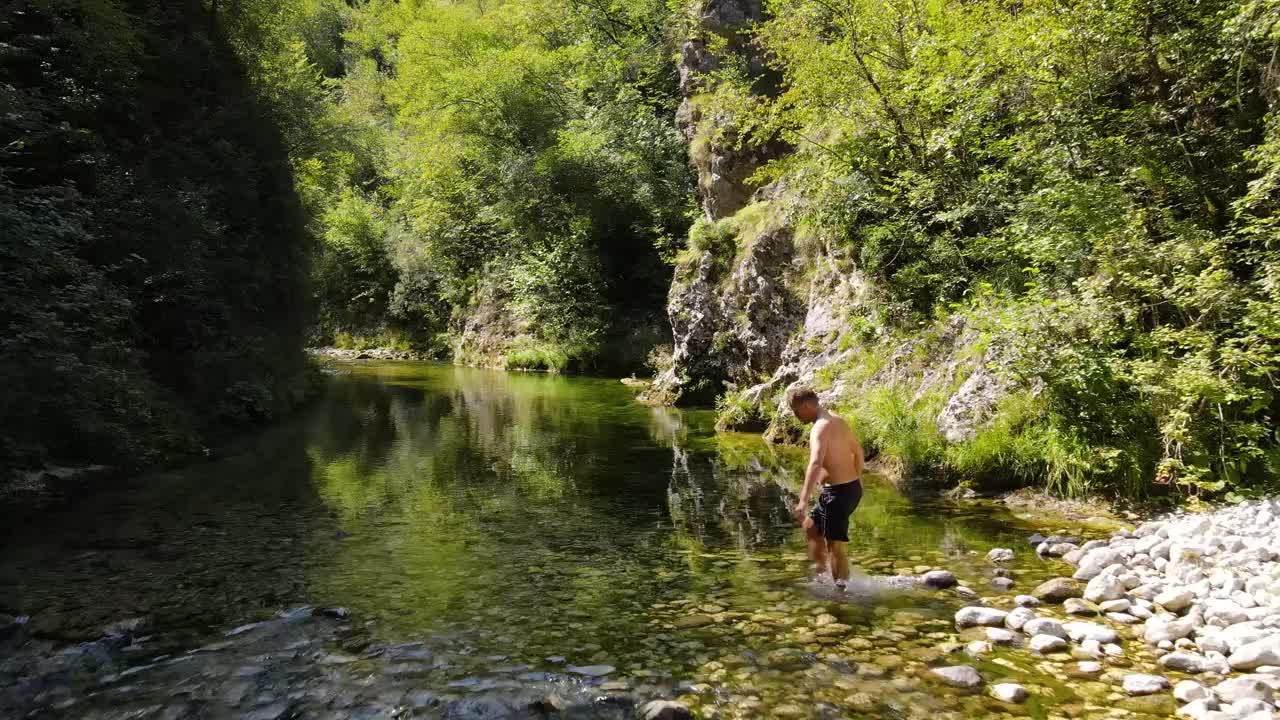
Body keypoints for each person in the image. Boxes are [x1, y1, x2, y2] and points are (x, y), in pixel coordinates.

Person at [787, 385, 864, 589]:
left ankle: (842, 593)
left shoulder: (820, 427)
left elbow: (815, 462)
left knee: (835, 546)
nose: (796, 416)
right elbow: (858, 451)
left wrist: (803, 499)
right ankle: (822, 575)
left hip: (838, 493)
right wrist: (858, 479)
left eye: (795, 411)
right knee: (810, 526)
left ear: (805, 406)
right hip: (847, 489)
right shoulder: (837, 420)